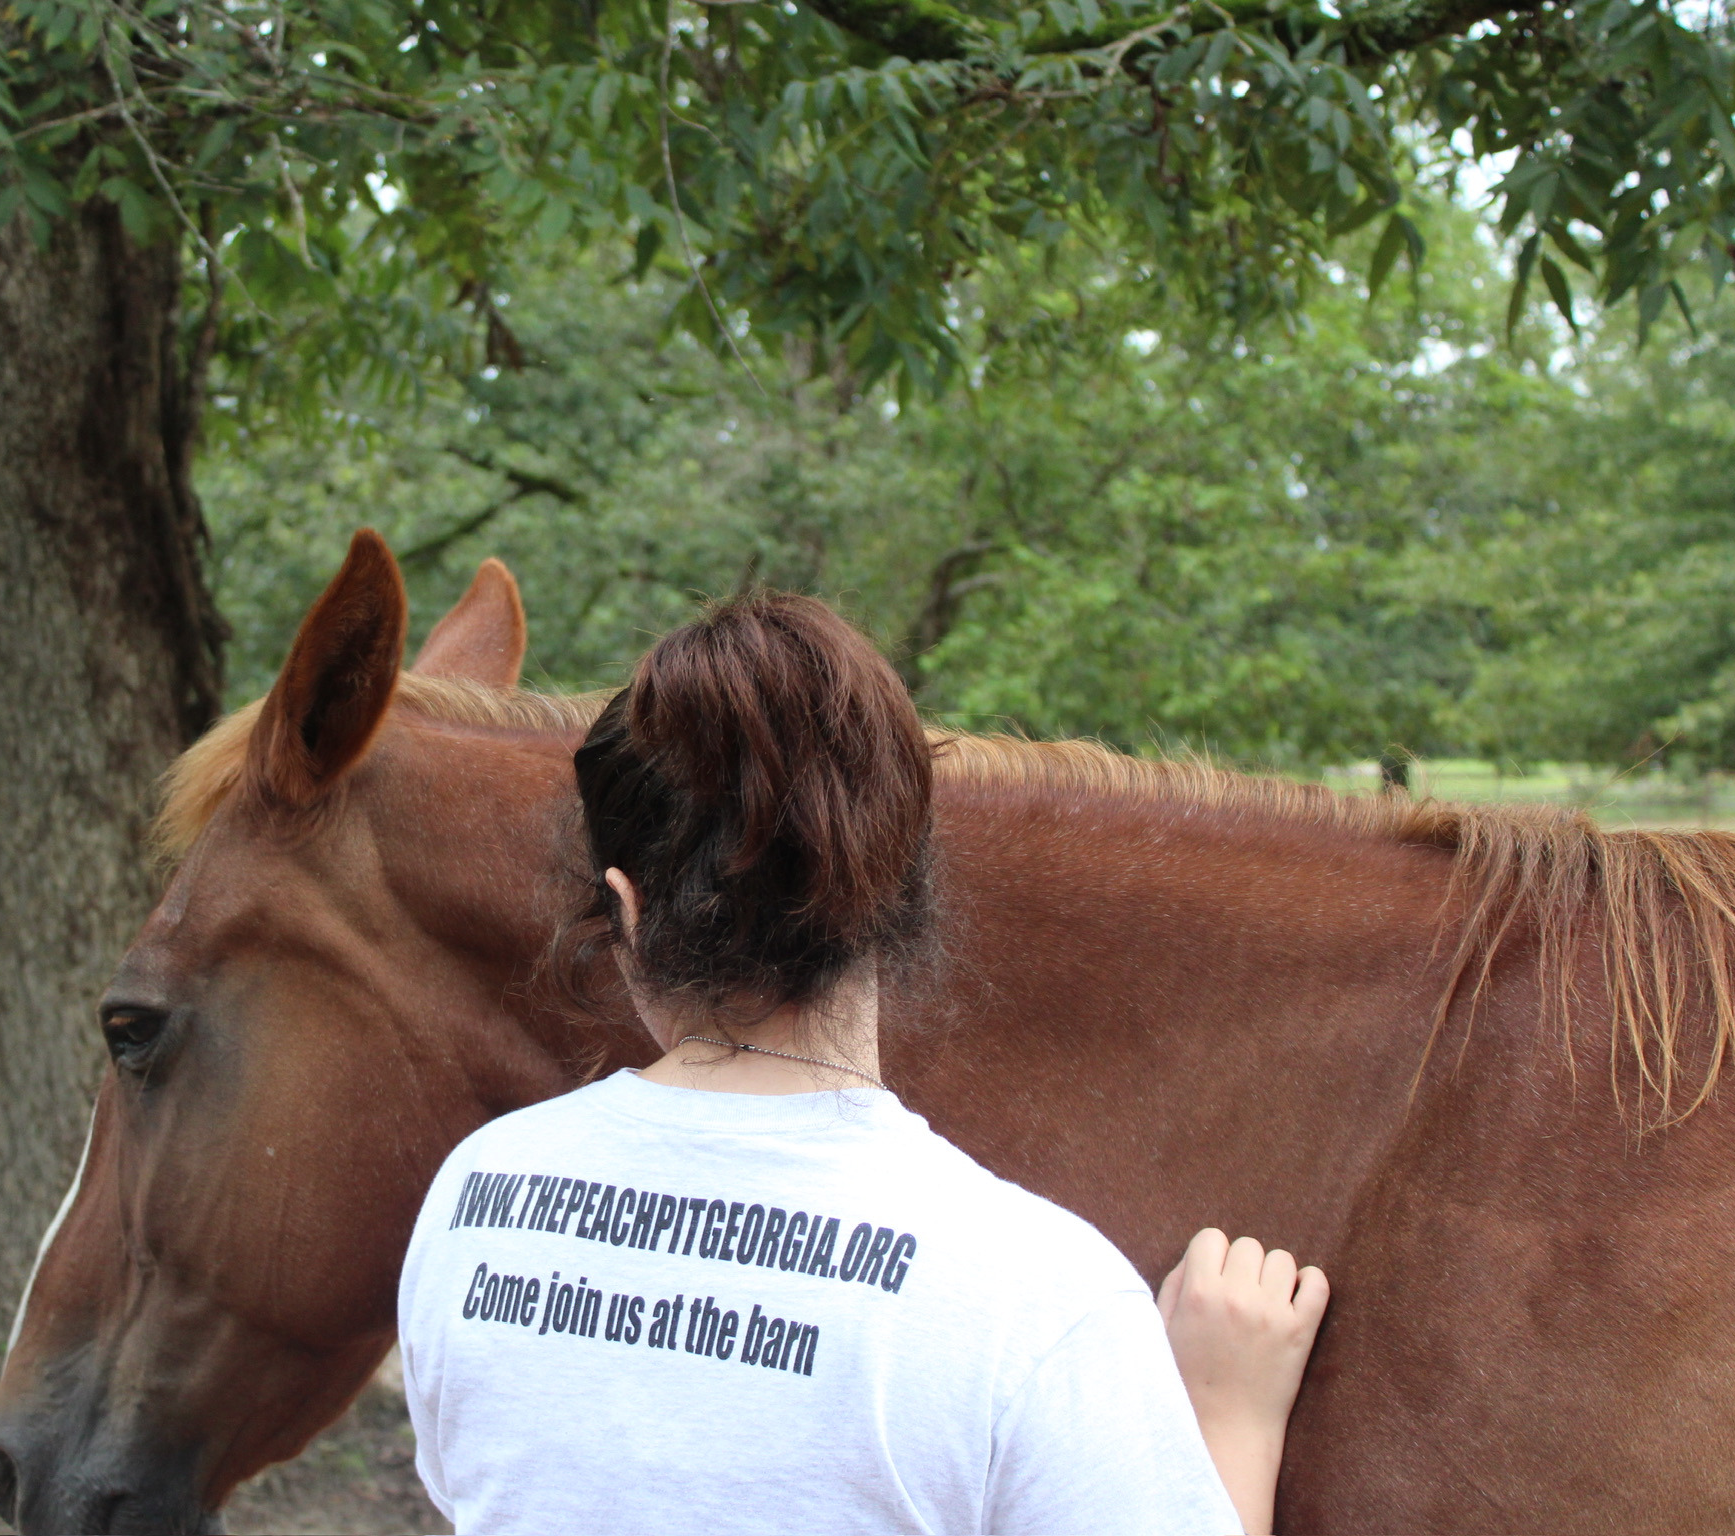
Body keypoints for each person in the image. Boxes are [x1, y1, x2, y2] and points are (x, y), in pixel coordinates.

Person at [398, 591, 1329, 1535]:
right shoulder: (1041, 1299)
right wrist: (1232, 1418)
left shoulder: (473, 1198)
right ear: (898, 883)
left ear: (626, 908)